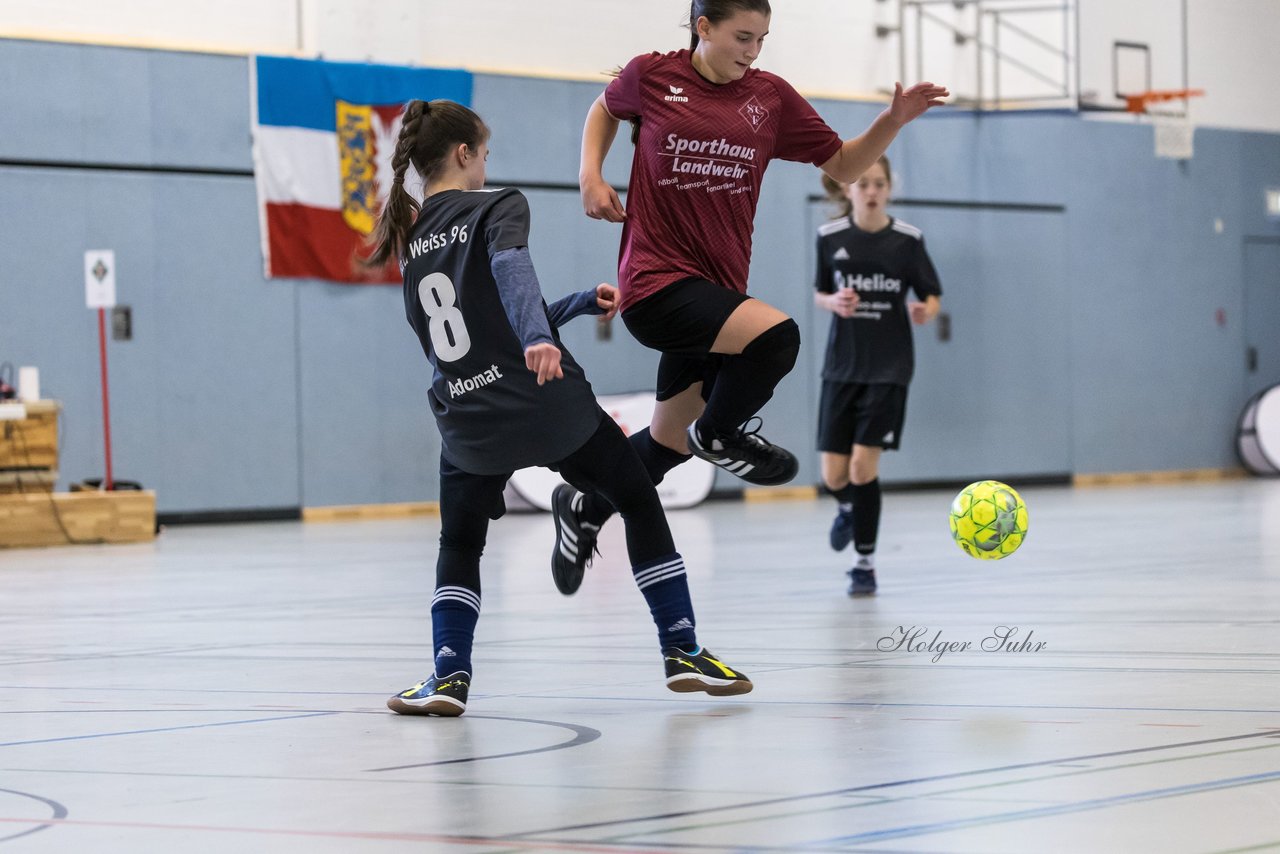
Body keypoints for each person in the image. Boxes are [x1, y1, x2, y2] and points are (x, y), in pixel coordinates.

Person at [365, 99, 752, 716]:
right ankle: (681, 648)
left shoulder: (410, 240)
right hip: (546, 403)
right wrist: (540, 339)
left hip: (467, 420)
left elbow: (472, 322)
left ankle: (448, 676)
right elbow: (509, 268)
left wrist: (569, 306)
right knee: (638, 502)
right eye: (484, 153)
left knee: (460, 545)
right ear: (465, 155)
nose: (487, 163)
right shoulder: (497, 203)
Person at [550, 0, 949, 590]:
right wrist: (591, 173)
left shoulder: (770, 98)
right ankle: (722, 433)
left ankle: (583, 507)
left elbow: (841, 165)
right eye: (742, 36)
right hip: (656, 284)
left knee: (667, 445)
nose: (752, 50)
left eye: (762, 39)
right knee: (777, 337)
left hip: (713, 295)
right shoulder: (653, 76)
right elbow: (605, 107)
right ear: (702, 27)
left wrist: (892, 121)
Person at [815, 157, 942, 596]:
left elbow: (932, 292)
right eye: (863, 183)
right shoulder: (829, 238)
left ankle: (864, 564)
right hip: (841, 367)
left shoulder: (907, 241)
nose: (871, 191)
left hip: (889, 369)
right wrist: (833, 303)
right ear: (848, 189)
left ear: (889, 189)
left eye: (879, 184)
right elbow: (820, 292)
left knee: (862, 467)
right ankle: (851, 510)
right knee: (833, 476)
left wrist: (927, 309)